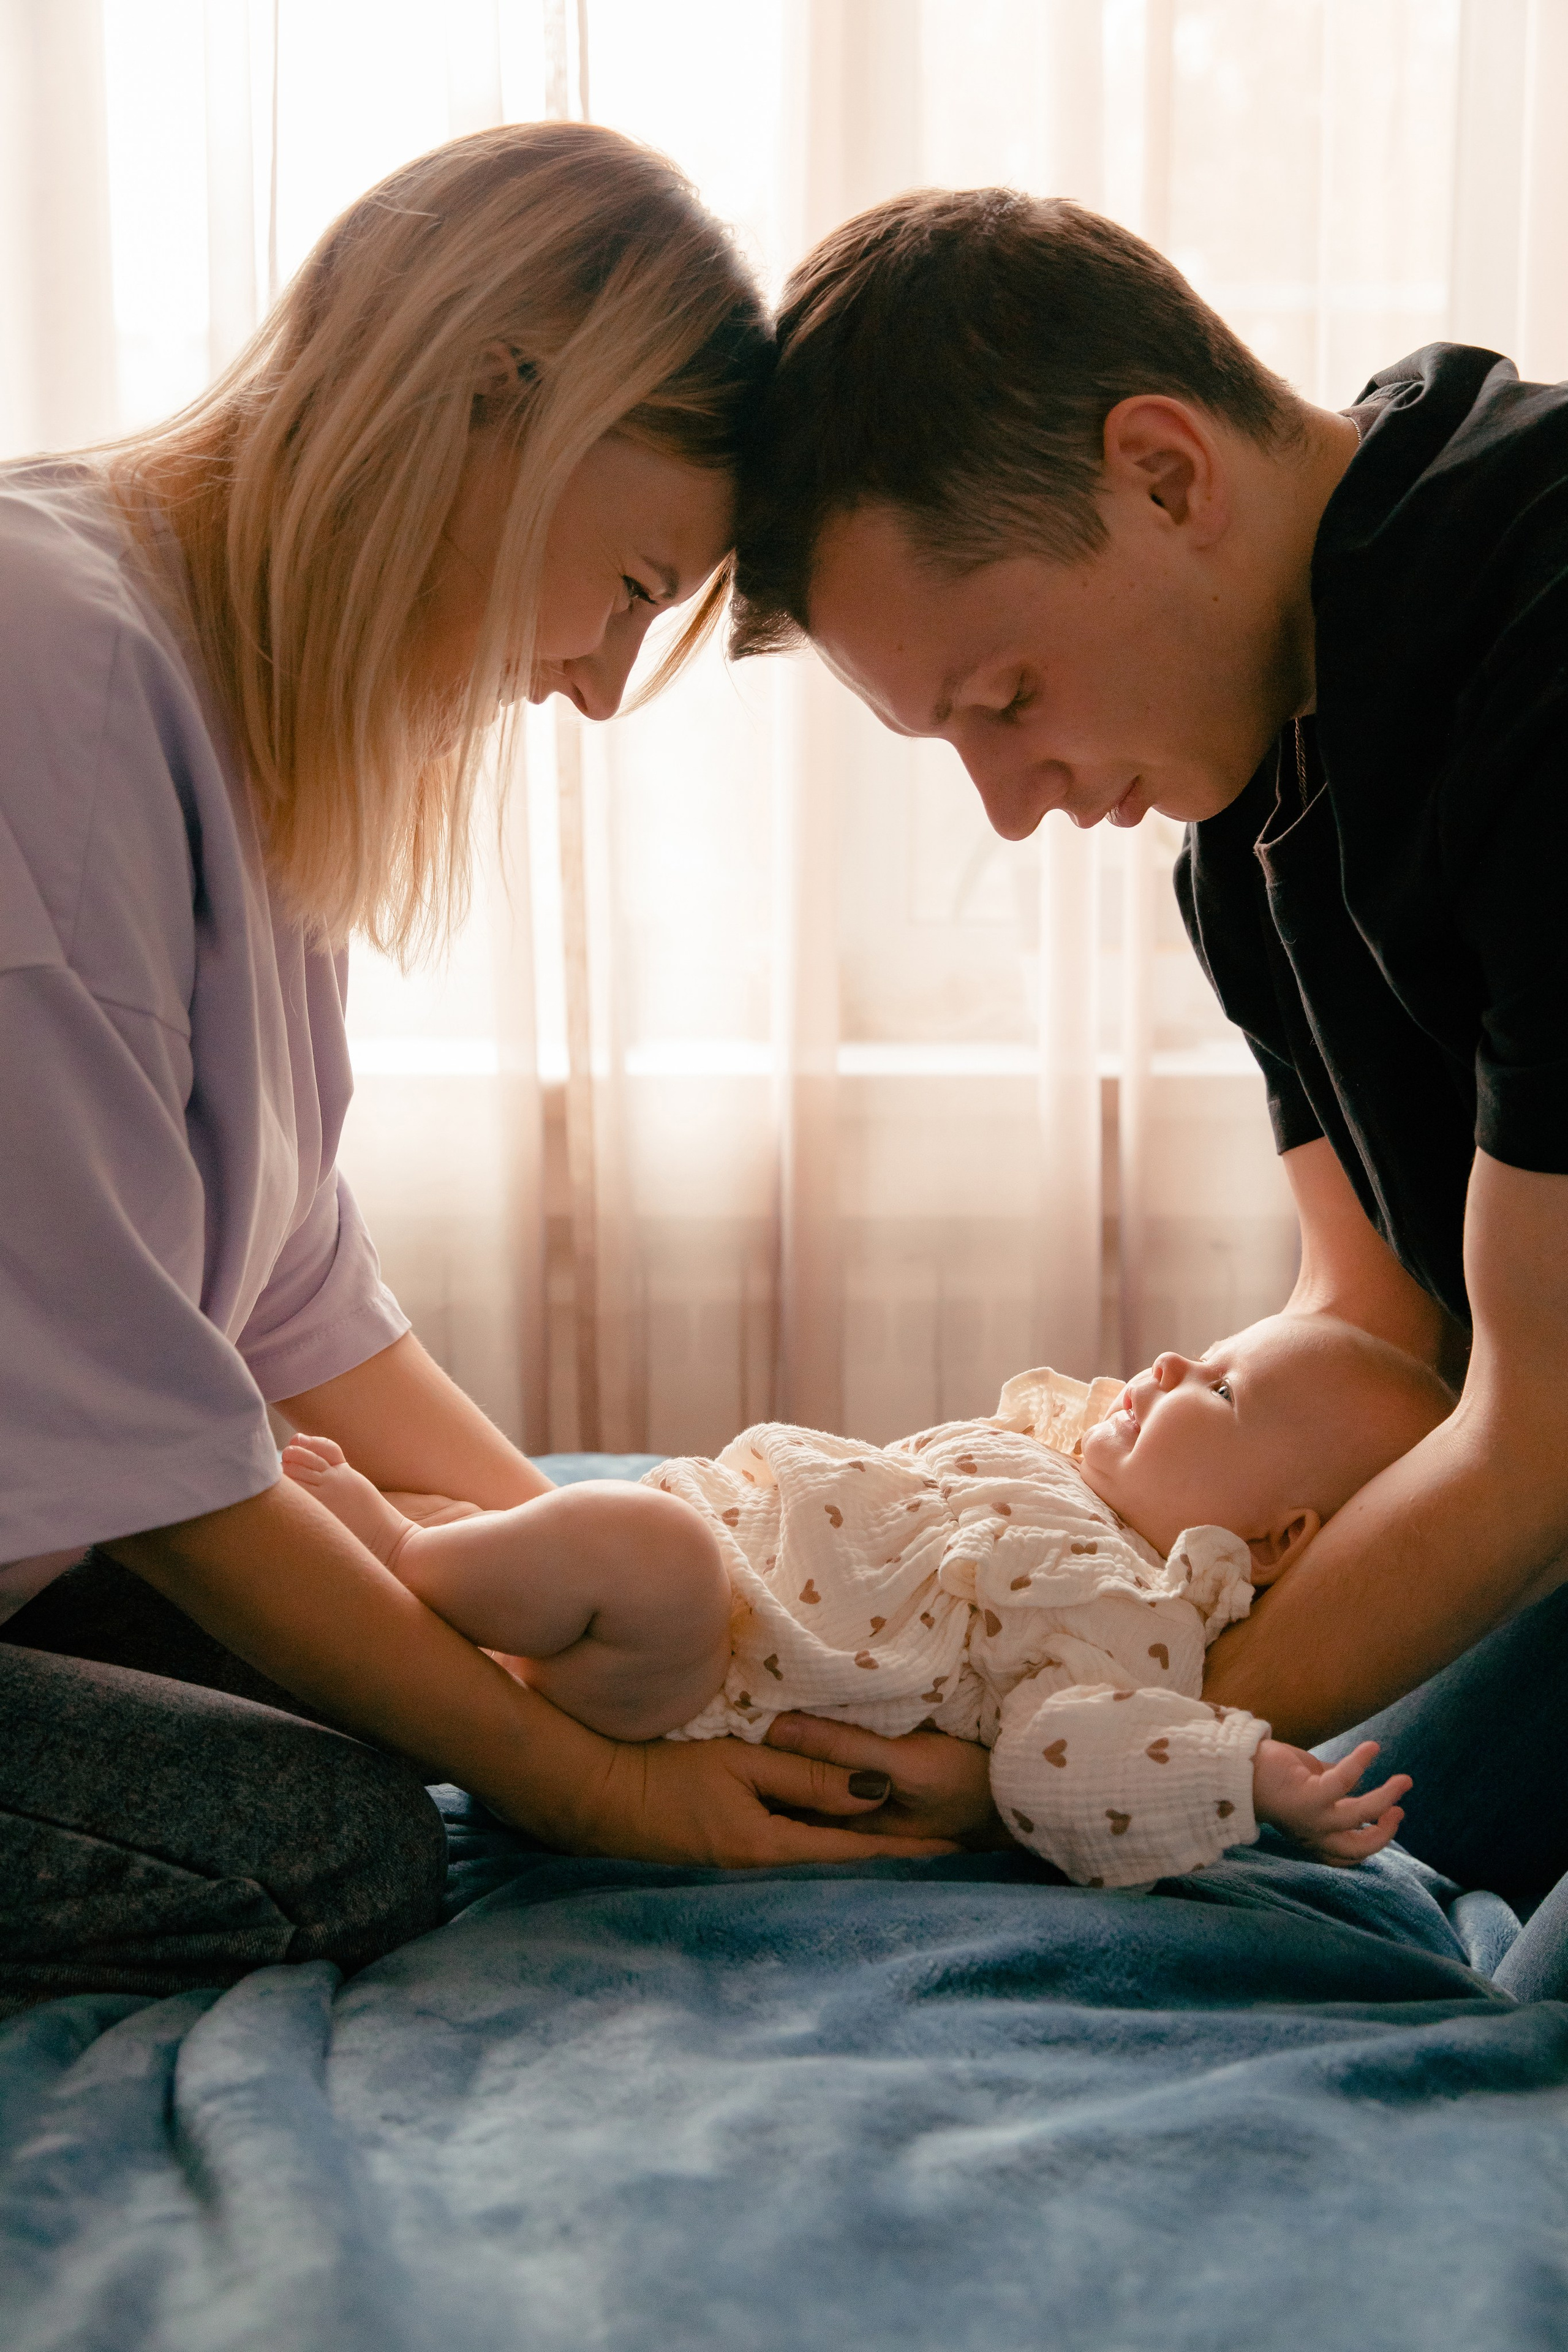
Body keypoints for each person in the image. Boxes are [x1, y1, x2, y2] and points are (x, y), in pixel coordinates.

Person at [0, 124, 946, 2019]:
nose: (597, 688)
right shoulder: (53, 671)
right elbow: (153, 1439)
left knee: (452, 1617)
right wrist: (605, 1791)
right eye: (625, 586)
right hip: (81, 1487)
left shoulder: (227, 687)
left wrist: (693, 1635)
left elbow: (283, 1301)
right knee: (336, 1842)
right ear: (489, 407)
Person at [723, 186, 1568, 1920]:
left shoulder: (1543, 649)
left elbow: (1542, 1430)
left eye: (1007, 700)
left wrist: (1047, 1763)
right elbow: (1374, 1325)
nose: (1013, 810)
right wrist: (1036, 1556)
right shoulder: (1249, 811)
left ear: (1165, 472)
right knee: (1354, 1853)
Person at [282, 1314, 1449, 1888]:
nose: (1169, 1370)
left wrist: (1239, 1770)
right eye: (1199, 1351)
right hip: (698, 1562)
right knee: (609, 1535)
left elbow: (1058, 1761)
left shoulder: (1129, 1615)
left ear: (1275, 1536)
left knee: (640, 1549)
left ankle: (399, 1550)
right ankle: (458, 1563)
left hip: (700, 1681)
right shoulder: (1047, 1450)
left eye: (1223, 1393)